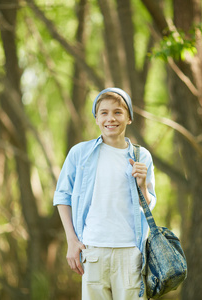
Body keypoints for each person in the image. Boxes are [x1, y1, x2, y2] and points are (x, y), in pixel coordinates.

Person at [53, 87, 157, 299]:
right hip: (93, 251)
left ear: (129, 118)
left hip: (131, 252)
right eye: (104, 112)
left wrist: (143, 184)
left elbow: (147, 204)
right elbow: (62, 196)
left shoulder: (141, 156)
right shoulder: (80, 154)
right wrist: (71, 240)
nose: (111, 118)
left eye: (118, 112)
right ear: (97, 118)